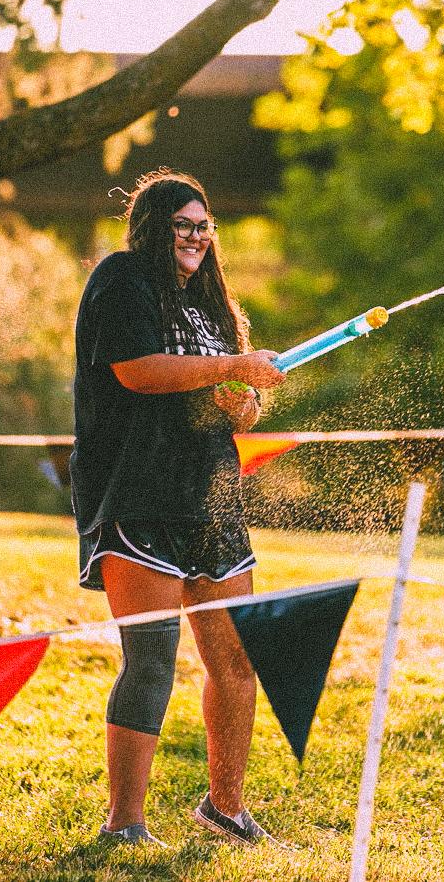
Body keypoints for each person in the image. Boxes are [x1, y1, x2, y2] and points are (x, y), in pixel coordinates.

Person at [71, 170, 286, 847]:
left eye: (203, 226)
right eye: (182, 226)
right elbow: (135, 370)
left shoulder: (210, 303)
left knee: (236, 661)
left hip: (212, 499)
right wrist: (228, 369)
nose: (195, 237)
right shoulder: (123, 279)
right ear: (154, 227)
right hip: (139, 494)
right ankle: (124, 824)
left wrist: (241, 392)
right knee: (152, 658)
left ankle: (225, 808)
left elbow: (241, 413)